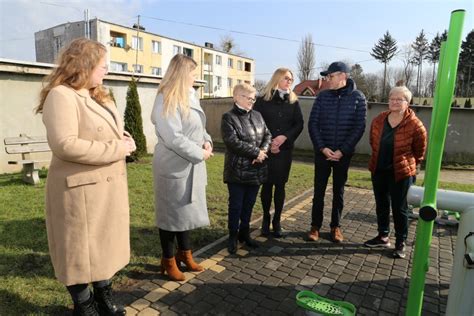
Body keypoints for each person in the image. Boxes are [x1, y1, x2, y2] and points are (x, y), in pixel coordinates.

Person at [37, 38, 136, 315]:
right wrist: (117, 148)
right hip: (79, 193)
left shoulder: (96, 94)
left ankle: (103, 299)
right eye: (102, 65)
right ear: (84, 64)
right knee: (79, 254)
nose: (106, 69)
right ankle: (84, 305)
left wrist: (123, 138)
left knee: (102, 249)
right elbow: (65, 144)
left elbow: (99, 131)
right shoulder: (62, 95)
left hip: (103, 191)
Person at [151, 54, 213, 281]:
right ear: (182, 73)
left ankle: (184, 254)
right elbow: (173, 137)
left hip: (190, 164)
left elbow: (199, 127)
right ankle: (168, 260)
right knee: (170, 216)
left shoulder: (190, 95)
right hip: (173, 166)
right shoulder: (165, 97)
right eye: (193, 73)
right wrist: (200, 153)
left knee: (185, 212)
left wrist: (207, 140)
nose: (196, 78)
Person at [364, 86, 427, 259]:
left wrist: (410, 164)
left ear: (407, 102)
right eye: (392, 98)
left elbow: (419, 151)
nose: (394, 101)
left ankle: (401, 242)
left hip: (401, 173)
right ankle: (383, 236)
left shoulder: (416, 125)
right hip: (379, 169)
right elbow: (373, 141)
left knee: (400, 209)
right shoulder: (379, 119)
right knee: (381, 205)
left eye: (399, 99)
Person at [308, 61, 366, 243]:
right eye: (327, 76)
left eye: (330, 76)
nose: (327, 79)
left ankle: (336, 226)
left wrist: (342, 150)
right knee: (319, 191)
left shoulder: (358, 97)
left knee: (338, 192)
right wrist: (323, 148)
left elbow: (359, 127)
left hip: (343, 155)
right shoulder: (322, 97)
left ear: (343, 76)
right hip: (322, 153)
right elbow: (313, 124)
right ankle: (315, 226)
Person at [221, 83, 272, 254]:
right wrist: (256, 152)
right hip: (237, 170)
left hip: (256, 170)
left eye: (253, 98)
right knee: (236, 206)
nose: (252, 101)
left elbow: (267, 134)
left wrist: (263, 150)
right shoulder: (228, 118)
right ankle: (232, 237)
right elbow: (233, 142)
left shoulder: (257, 115)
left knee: (249, 205)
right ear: (236, 97)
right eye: (248, 98)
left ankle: (245, 234)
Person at [253, 68, 303, 237]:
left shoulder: (294, 101)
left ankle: (277, 221)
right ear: (277, 79)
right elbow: (257, 123)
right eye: (286, 78)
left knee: (280, 186)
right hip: (266, 151)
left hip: (284, 151)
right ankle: (266, 219)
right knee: (266, 186)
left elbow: (299, 124)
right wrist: (269, 142)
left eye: (291, 79)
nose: (290, 81)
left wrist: (284, 138)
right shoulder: (262, 100)